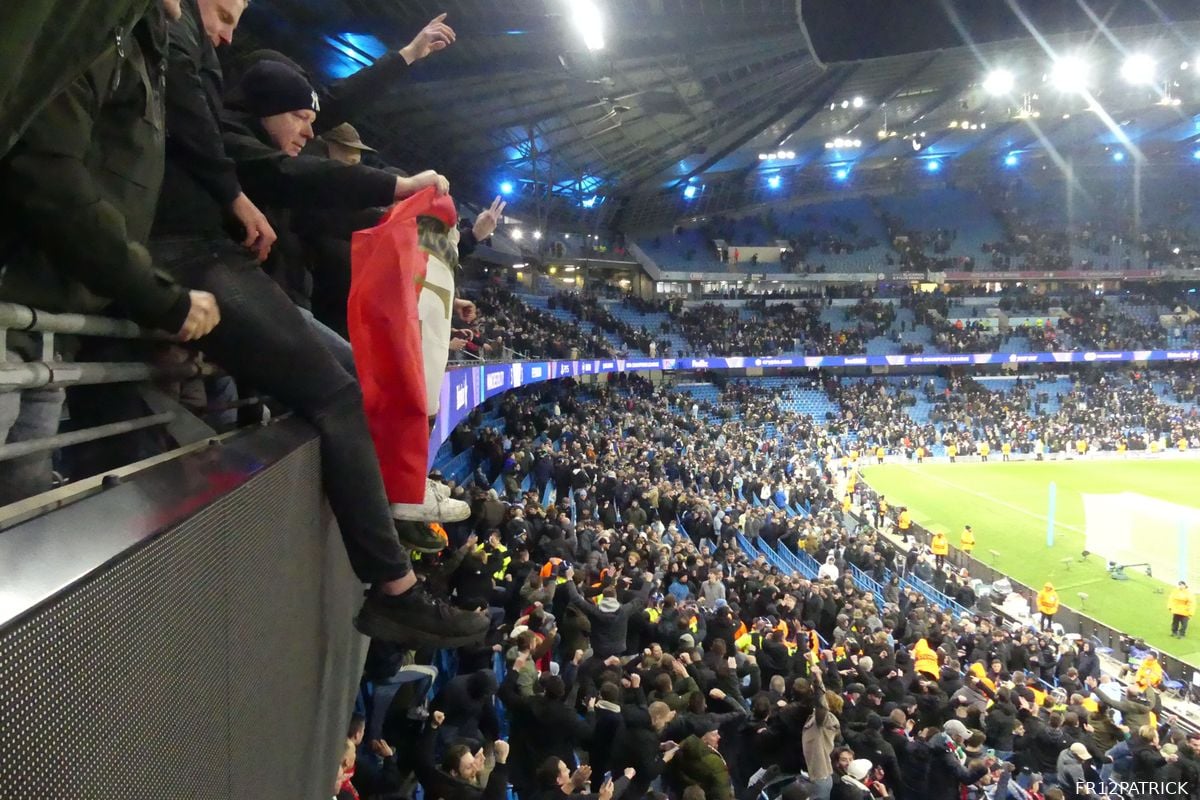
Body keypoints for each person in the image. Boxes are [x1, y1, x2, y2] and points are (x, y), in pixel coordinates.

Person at [152, 54, 486, 645]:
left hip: (227, 270)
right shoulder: (230, 140)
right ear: (268, 112)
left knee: (354, 380)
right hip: (198, 263)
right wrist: (396, 187)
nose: (310, 132)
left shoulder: (237, 132)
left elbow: (312, 177)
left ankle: (389, 515)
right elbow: (298, 179)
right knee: (339, 395)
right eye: (301, 119)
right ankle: (394, 589)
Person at [0, 0, 216, 505]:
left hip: (54, 333)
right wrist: (160, 295)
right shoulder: (94, 33)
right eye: (224, 19)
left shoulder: (141, 47)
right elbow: (48, 173)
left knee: (19, 525)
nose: (222, 37)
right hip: (14, 306)